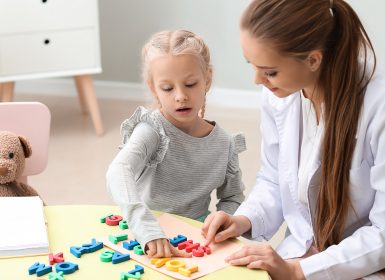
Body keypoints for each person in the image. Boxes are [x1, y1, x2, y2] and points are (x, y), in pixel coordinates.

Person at [201, 0, 385, 279]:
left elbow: (383, 233)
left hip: (362, 261)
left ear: (313, 59)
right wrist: (244, 219)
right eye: (253, 65)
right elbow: (274, 177)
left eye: (270, 71)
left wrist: (298, 271)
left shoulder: (378, 106)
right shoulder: (280, 94)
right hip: (302, 251)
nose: (257, 80)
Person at [106, 30, 246, 258]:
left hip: (196, 240)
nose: (180, 96)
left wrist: (223, 221)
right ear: (153, 88)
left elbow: (232, 198)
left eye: (190, 84)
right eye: (168, 88)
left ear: (207, 79)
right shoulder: (151, 130)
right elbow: (118, 171)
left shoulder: (225, 143)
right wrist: (147, 228)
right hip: (147, 237)